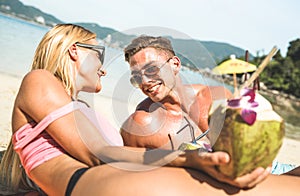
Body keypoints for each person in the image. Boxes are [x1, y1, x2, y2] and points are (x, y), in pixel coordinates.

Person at [0, 24, 299, 196]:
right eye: (99, 54)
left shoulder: (74, 107)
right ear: (75, 50)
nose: (104, 70)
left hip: (108, 179)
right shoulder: (39, 80)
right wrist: (188, 159)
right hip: (96, 182)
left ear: (176, 65)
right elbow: (99, 153)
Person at [121, 35, 298, 174]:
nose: (145, 81)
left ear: (175, 64)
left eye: (151, 69)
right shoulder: (141, 124)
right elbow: (134, 174)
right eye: (137, 77)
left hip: (264, 167)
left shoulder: (217, 95)